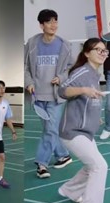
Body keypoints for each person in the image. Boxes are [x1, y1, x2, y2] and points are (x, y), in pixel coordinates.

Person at [58, 38, 108, 203]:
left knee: (91, 165)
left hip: (86, 132)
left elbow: (89, 103)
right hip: (72, 131)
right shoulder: (82, 72)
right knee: (99, 166)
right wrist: (84, 89)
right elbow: (62, 91)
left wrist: (96, 117)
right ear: (87, 53)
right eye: (98, 50)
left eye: (105, 51)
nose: (102, 53)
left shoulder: (95, 74)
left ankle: (69, 190)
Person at [24, 8, 73, 179]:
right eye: (49, 21)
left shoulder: (64, 45)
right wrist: (29, 83)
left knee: (50, 130)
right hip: (37, 95)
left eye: (55, 21)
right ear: (41, 25)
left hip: (55, 96)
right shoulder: (32, 44)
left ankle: (42, 164)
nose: (53, 25)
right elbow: (25, 67)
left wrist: (61, 77)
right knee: (49, 129)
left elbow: (71, 68)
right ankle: (63, 155)